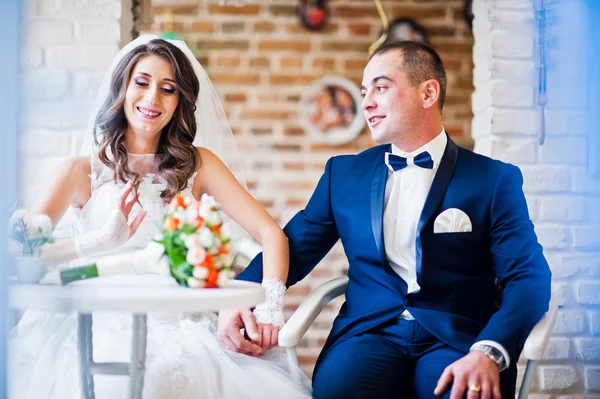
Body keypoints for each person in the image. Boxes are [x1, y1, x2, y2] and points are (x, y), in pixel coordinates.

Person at [226, 41, 552, 398]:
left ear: (428, 92)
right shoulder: (344, 174)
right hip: (368, 334)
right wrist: (239, 295)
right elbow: (296, 247)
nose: (365, 102)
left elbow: (527, 277)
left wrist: (490, 351)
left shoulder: (492, 180)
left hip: (459, 339)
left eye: (380, 88)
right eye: (365, 91)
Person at [8, 35, 311, 399]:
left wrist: (270, 310)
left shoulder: (198, 165)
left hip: (180, 323)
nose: (153, 99)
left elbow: (271, 234)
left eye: (168, 89)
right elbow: (19, 253)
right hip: (91, 320)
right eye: (142, 82)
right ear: (121, 88)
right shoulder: (77, 171)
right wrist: (97, 242)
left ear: (179, 102)